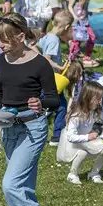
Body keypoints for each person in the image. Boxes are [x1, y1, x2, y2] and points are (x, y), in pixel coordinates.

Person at [0, 14, 60, 206]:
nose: (0, 45)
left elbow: (54, 99)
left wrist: (40, 102)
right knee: (23, 186)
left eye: (5, 40)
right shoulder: (0, 61)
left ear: (20, 36)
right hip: (8, 129)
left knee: (11, 184)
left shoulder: (40, 64)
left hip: (33, 128)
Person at [60, 81, 103, 185]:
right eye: (98, 98)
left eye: (101, 98)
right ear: (88, 98)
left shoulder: (95, 110)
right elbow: (71, 137)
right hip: (75, 140)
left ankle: (94, 173)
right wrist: (88, 137)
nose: (99, 101)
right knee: (82, 153)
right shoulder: (76, 115)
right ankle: (72, 174)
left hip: (88, 137)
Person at [37, 11, 73, 144]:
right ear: (66, 27)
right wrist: (60, 68)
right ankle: (57, 137)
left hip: (43, 78)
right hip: (52, 79)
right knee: (61, 106)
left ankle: (38, 129)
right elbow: (47, 59)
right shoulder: (54, 40)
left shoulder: (47, 36)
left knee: (46, 103)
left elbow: (34, 46)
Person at [67, 0, 99, 67]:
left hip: (84, 21)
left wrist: (88, 12)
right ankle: (71, 59)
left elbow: (82, 8)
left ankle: (86, 57)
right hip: (77, 22)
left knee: (92, 37)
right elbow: (70, 6)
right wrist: (74, 16)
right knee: (77, 41)